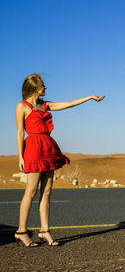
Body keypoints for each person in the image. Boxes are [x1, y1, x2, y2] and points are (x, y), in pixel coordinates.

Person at [14, 74, 105, 247]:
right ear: (34, 87)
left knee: (47, 191)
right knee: (31, 191)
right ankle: (21, 231)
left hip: (48, 147)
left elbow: (68, 104)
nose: (45, 88)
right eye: (42, 85)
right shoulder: (21, 107)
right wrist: (21, 156)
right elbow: (19, 132)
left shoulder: (45, 104)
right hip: (33, 148)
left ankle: (45, 230)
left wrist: (89, 97)